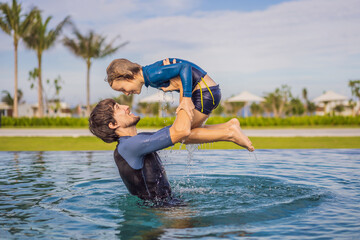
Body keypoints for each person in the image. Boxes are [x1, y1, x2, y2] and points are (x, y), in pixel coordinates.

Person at [89, 99, 254, 201]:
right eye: (118, 107)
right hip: (161, 212)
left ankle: (229, 129)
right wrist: (185, 97)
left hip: (167, 205)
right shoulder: (129, 146)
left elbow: (181, 134)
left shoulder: (136, 142)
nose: (126, 106)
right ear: (113, 124)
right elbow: (180, 131)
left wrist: (226, 128)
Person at [105, 58, 220, 128]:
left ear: (129, 76)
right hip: (207, 91)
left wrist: (186, 99)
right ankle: (229, 128)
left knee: (182, 131)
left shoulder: (152, 74)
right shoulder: (150, 77)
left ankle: (230, 131)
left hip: (205, 92)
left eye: (123, 89)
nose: (126, 93)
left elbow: (184, 67)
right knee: (185, 131)